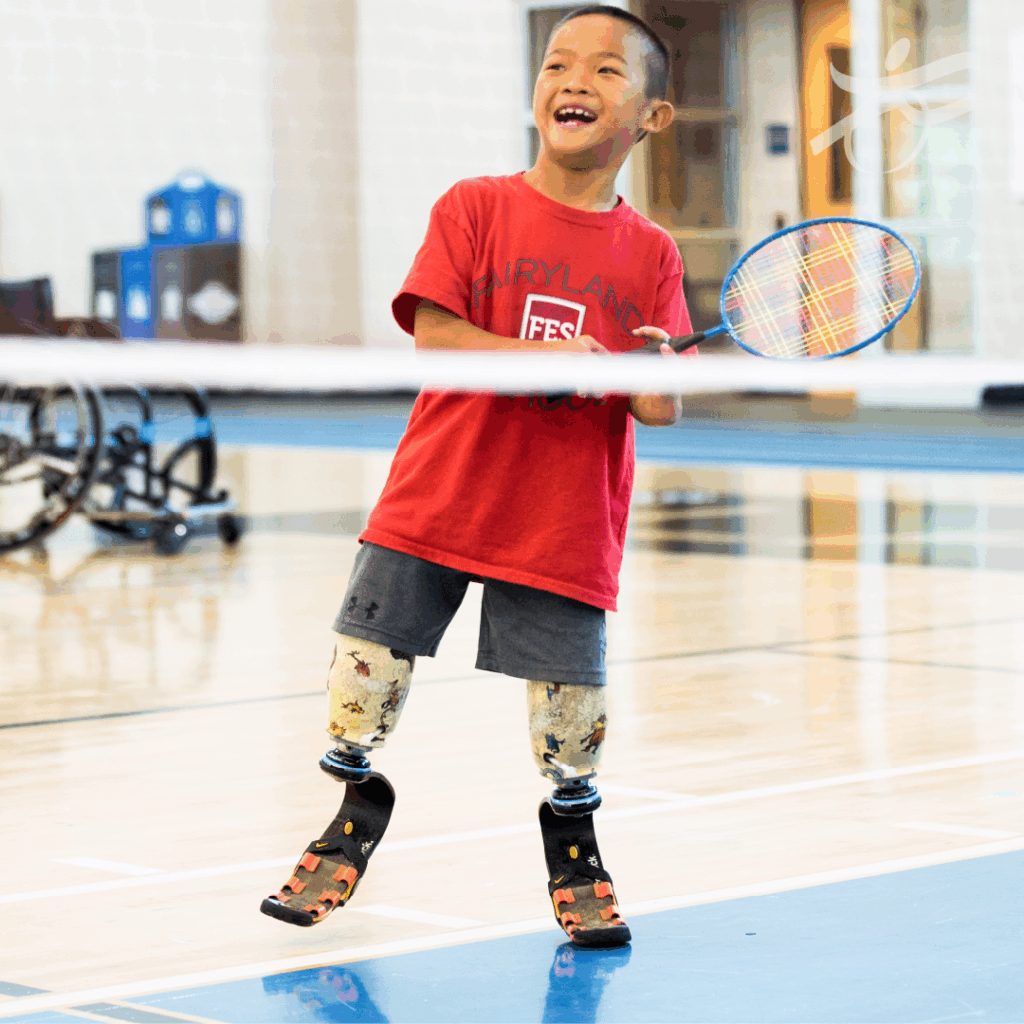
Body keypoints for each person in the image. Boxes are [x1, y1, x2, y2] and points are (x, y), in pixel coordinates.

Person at [261, 4, 692, 948]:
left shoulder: (652, 253)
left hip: (563, 521)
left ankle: (574, 846)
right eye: (557, 63)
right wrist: (547, 359)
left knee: (571, 721)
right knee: (362, 681)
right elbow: (437, 335)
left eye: (607, 70)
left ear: (652, 117)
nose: (573, 81)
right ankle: (353, 807)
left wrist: (645, 370)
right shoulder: (474, 206)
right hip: (436, 495)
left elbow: (661, 405)